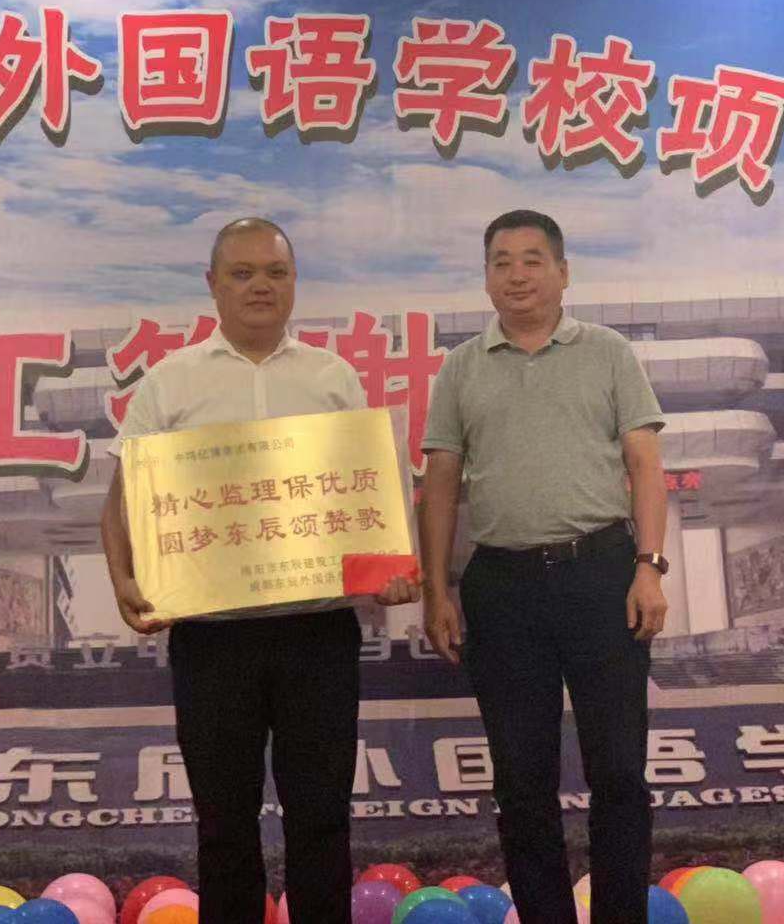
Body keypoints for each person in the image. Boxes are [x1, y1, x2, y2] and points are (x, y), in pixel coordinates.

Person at [99, 217, 417, 924]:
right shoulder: (171, 383)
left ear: (294, 282)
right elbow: (120, 503)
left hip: (318, 636)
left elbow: (370, 499)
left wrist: (394, 570)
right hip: (213, 641)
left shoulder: (332, 378)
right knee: (223, 825)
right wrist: (123, 580)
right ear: (212, 285)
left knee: (322, 819)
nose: (259, 286)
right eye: (241, 273)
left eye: (274, 272)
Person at [419, 209, 669, 924]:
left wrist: (649, 567)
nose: (517, 275)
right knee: (521, 781)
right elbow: (441, 485)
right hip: (501, 587)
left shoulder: (608, 352)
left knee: (618, 771)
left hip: (603, 575)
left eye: (533, 259)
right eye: (501, 261)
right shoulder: (461, 368)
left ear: (563, 272)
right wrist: (437, 590)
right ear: (486, 277)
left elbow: (645, 465)